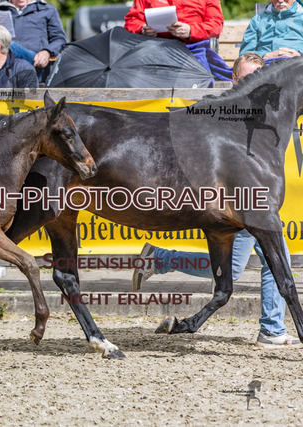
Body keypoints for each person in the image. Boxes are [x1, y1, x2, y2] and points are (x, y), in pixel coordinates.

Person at [131, 53, 300, 348]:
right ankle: (161, 259)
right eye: (246, 78)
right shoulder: (221, 112)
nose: (253, 83)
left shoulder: (265, 113)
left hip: (255, 204)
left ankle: (272, 328)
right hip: (235, 205)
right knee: (254, 265)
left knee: (270, 261)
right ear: (234, 80)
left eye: (258, 77)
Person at [0, 0, 66, 72]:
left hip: (34, 60)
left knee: (10, 46)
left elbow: (59, 39)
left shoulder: (47, 9)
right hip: (4, 60)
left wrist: (47, 52)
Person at [124, 0, 224, 43]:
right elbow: (132, 20)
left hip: (192, 50)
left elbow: (215, 24)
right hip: (154, 49)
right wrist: (142, 29)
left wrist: (191, 31)